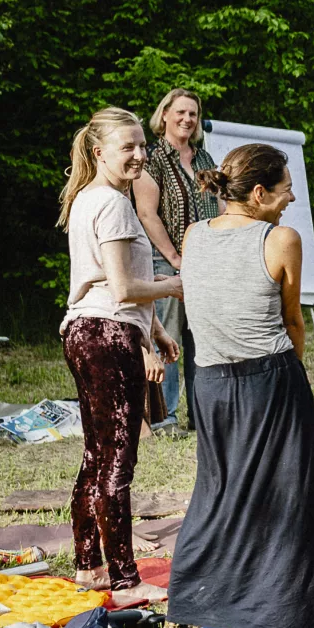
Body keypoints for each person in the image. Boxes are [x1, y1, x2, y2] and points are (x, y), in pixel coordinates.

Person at [164, 143, 314, 628]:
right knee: (292, 500)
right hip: (269, 381)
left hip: (210, 386)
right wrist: (293, 375)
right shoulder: (280, 239)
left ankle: (175, 623)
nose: (290, 198)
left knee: (216, 496)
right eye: (285, 188)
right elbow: (292, 321)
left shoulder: (194, 234)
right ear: (260, 192)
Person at [56, 107, 183, 604]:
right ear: (98, 152)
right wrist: (175, 285)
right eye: (127, 146)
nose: (138, 154)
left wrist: (152, 334)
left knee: (97, 455)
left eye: (141, 146)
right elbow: (127, 286)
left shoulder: (91, 198)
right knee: (117, 463)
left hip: (91, 330)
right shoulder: (111, 203)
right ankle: (126, 579)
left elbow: (115, 285)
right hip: (105, 336)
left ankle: (89, 567)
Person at [132, 88, 221, 433]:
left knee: (201, 338)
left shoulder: (204, 160)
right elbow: (146, 213)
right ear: (165, 114)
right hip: (165, 260)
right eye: (181, 112)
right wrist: (174, 257)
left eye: (193, 114)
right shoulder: (151, 157)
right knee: (167, 336)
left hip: (206, 260)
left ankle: (203, 417)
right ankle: (165, 417)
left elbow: (220, 205)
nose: (187, 119)